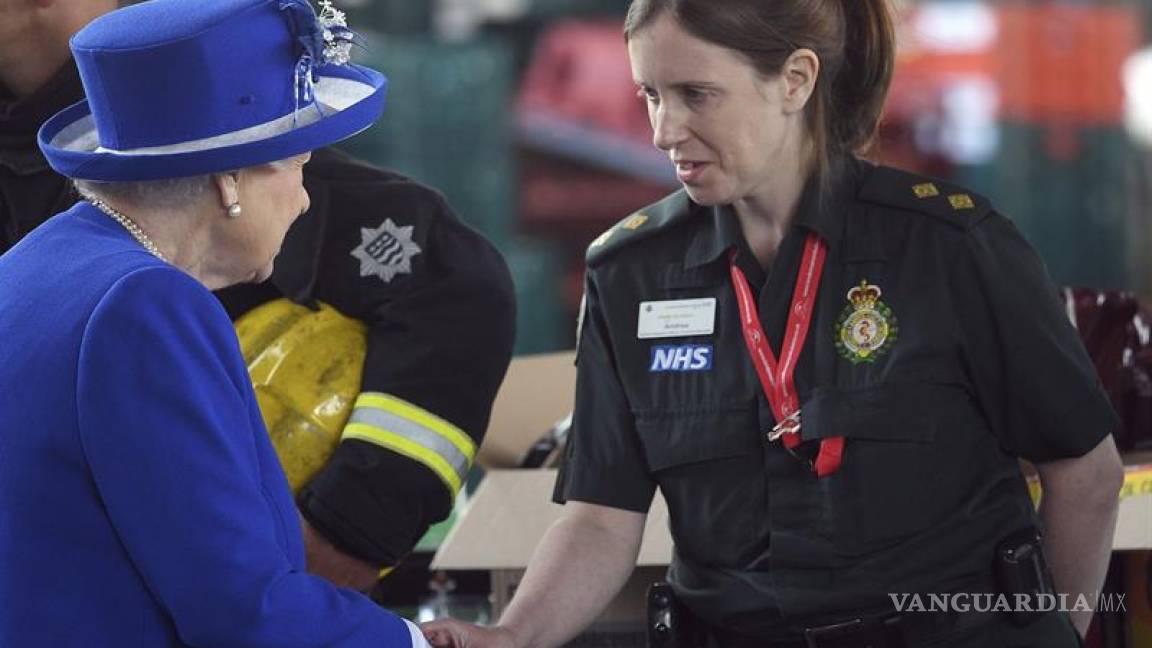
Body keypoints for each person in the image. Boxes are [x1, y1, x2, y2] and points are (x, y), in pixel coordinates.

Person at [423, 1, 1124, 647]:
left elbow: (1083, 473)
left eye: (696, 94)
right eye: (651, 95)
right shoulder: (629, 272)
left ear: (795, 80)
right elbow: (602, 517)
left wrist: (1050, 635)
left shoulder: (949, 248)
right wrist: (511, 638)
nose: (665, 129)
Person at [0, 0, 516, 593]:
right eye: (294, 157)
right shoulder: (146, 297)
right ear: (228, 180)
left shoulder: (186, 101)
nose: (301, 196)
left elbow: (453, 284)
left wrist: (348, 529)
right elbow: (236, 607)